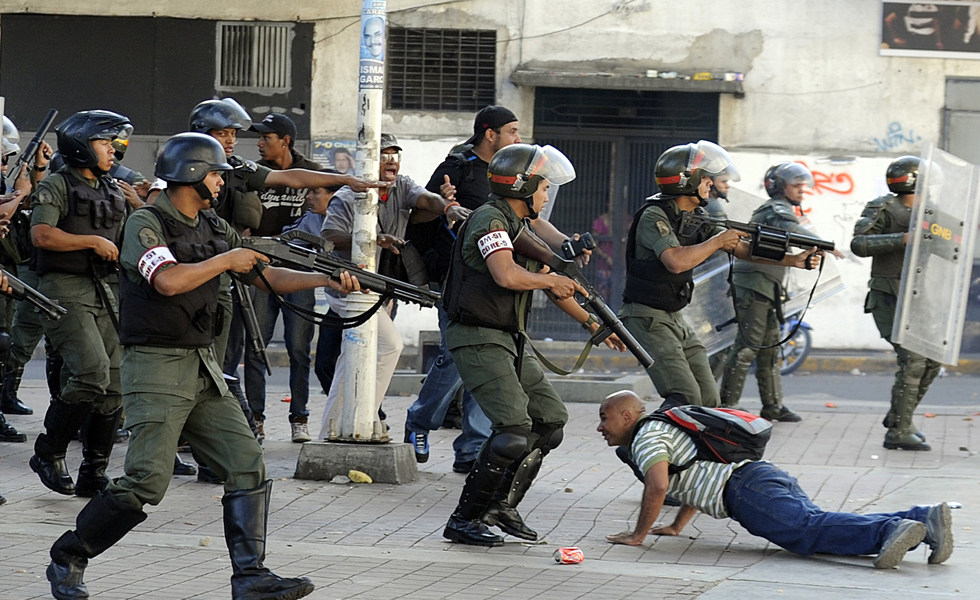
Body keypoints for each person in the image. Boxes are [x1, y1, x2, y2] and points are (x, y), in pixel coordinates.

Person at [45, 132, 363, 600]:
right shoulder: (147, 223)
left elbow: (265, 274)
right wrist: (226, 259)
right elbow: (168, 281)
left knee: (246, 464)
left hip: (200, 366)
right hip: (156, 367)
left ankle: (251, 577)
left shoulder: (214, 226)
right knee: (146, 481)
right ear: (193, 173)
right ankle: (69, 555)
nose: (221, 181)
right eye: (215, 173)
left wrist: (326, 278)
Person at [441, 143, 626, 547]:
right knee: (513, 431)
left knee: (550, 420)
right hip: (478, 336)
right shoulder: (491, 221)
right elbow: (507, 276)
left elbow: (558, 283)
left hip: (508, 336)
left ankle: (501, 504)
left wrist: (596, 326)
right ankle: (464, 519)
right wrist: (550, 279)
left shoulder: (518, 227)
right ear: (522, 187)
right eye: (543, 188)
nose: (547, 196)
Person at [189, 99, 387, 442]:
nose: (232, 140)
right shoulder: (180, 173)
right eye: (222, 133)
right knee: (212, 357)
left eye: (234, 133)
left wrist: (345, 180)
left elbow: (291, 177)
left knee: (234, 354)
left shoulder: (239, 169)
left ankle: (225, 438)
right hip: (193, 277)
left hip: (235, 273)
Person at [597, 391, 954, 569]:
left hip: (745, 491)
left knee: (808, 533)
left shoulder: (645, 439)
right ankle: (922, 519)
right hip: (759, 477)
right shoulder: (662, 427)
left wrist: (638, 535)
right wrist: (676, 525)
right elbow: (694, 472)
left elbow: (658, 485)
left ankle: (889, 531)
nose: (600, 427)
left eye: (604, 418)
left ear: (627, 415)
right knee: (817, 525)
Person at [619, 142, 820, 408]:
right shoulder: (654, 216)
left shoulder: (695, 216)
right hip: (646, 318)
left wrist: (793, 260)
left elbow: (742, 249)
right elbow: (676, 262)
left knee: (709, 400)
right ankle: (649, 444)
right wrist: (718, 241)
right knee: (685, 397)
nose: (709, 186)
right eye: (705, 180)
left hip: (675, 317)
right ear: (686, 182)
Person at [319, 133, 465, 439]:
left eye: (394, 154)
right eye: (384, 154)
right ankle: (361, 419)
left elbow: (427, 199)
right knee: (390, 345)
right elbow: (330, 237)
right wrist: (372, 240)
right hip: (349, 288)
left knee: (355, 357)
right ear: (367, 161)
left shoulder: (402, 186)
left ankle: (337, 426)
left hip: (382, 290)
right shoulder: (348, 197)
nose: (391, 160)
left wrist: (447, 207)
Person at [403, 106, 522, 472]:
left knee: (484, 355)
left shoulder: (508, 172)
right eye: (512, 132)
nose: (518, 139)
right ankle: (419, 422)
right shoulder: (457, 166)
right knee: (456, 353)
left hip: (493, 276)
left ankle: (472, 447)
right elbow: (419, 213)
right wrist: (446, 207)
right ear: (490, 134)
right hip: (456, 275)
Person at [28, 110, 133, 499]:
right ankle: (48, 452)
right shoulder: (57, 184)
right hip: (64, 287)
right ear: (82, 145)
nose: (113, 150)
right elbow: (41, 235)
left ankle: (94, 470)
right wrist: (90, 241)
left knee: (115, 383)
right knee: (91, 371)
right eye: (105, 143)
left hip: (106, 291)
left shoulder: (113, 189)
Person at [718, 163, 819, 422]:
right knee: (747, 347)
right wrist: (823, 245)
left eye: (802, 185)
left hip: (766, 284)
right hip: (754, 283)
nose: (801, 190)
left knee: (770, 348)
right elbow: (795, 233)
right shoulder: (776, 209)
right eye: (795, 185)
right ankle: (727, 406)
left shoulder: (779, 209)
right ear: (779, 187)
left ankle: (772, 406)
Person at [246, 112, 324, 443]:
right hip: (261, 269)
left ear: (285, 141)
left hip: (300, 270)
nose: (260, 143)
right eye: (259, 137)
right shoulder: (253, 175)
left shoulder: (312, 173)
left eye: (267, 137)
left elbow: (334, 202)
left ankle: (300, 418)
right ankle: (256, 418)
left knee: (298, 348)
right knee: (255, 345)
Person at [851, 156, 936, 452]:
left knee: (933, 360)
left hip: (919, 297)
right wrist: (903, 239)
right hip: (889, 294)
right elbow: (859, 244)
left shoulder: (930, 213)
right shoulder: (884, 207)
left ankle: (901, 416)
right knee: (913, 360)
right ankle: (898, 431)